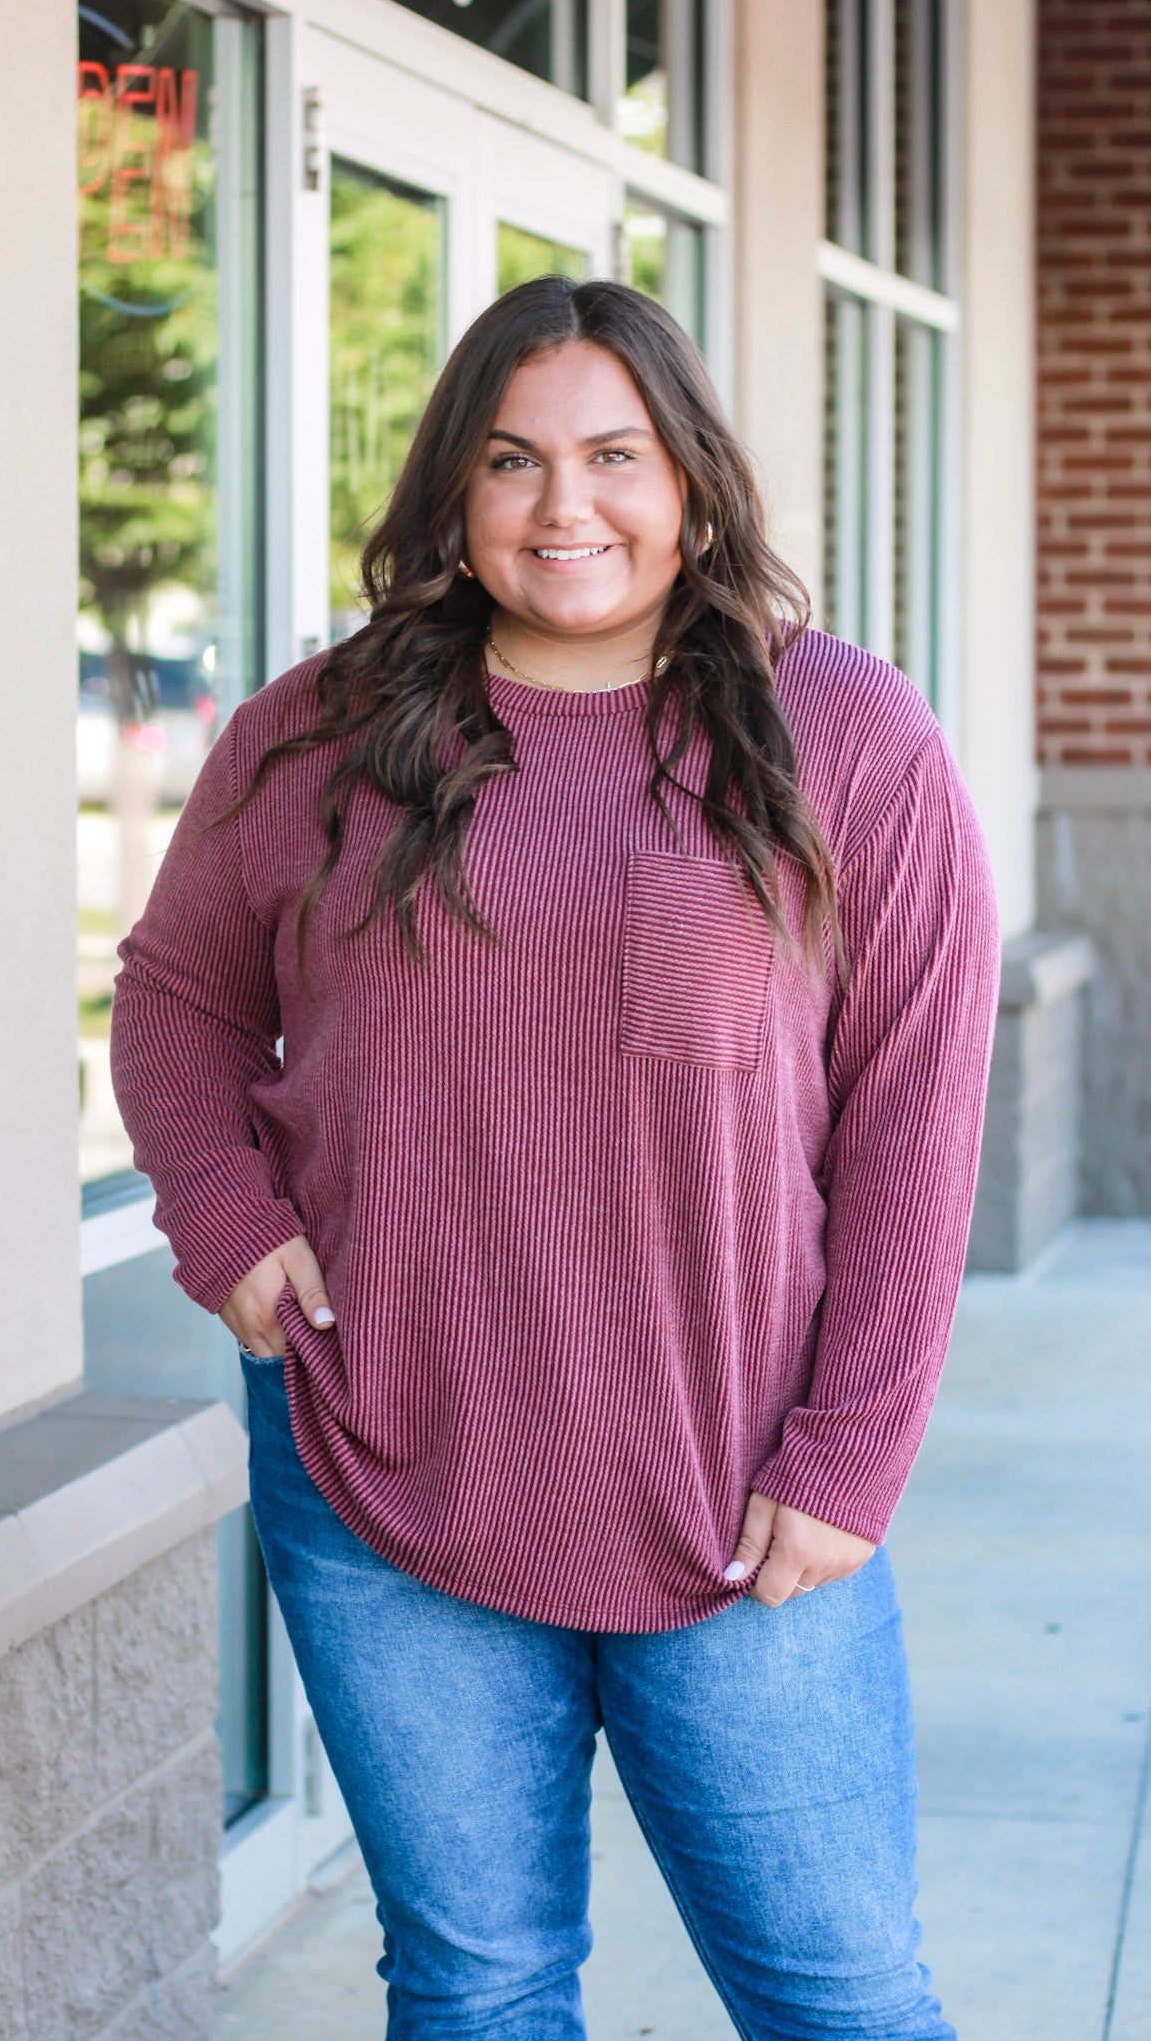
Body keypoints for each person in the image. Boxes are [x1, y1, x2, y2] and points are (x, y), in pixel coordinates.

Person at [111, 275, 1001, 2040]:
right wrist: (222, 1209)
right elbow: (178, 997)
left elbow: (915, 1112)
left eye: (614, 455)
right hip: (383, 1457)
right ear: (454, 487)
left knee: (839, 1997)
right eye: (511, 459)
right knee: (474, 1986)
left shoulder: (844, 733)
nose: (562, 505)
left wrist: (853, 1450)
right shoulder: (315, 732)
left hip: (740, 1490)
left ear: (690, 481)